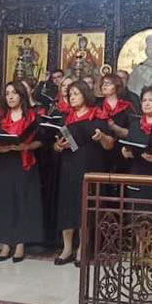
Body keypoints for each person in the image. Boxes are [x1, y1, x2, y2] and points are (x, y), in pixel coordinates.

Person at [53, 81, 114, 266]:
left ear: (85, 95)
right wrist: (58, 146)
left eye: (76, 94)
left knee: (84, 207)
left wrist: (102, 137)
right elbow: (60, 145)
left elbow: (110, 145)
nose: (72, 97)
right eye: (70, 94)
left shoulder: (97, 116)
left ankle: (82, 248)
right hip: (69, 165)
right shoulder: (66, 118)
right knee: (67, 206)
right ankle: (67, 249)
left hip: (90, 165)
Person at [0, 81, 44, 262]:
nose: (10, 96)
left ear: (21, 95)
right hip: (4, 163)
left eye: (14, 93)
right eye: (7, 93)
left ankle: (20, 244)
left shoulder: (32, 117)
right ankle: (5, 243)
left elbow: (41, 141)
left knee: (23, 202)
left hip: (24, 164)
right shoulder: (1, 118)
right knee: (4, 202)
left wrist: (26, 146)